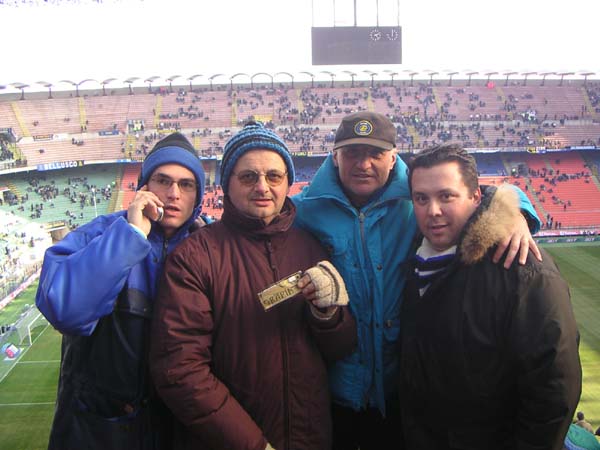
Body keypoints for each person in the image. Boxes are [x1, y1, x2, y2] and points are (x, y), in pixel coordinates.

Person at [291, 111, 542, 450]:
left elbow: (474, 193)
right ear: (334, 157)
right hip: (335, 392)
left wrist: (517, 210)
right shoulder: (305, 209)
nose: (363, 164)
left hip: (403, 391)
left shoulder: (417, 198)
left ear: (393, 156)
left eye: (375, 153)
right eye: (352, 153)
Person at [149, 121, 357, 450]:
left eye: (274, 176)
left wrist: (328, 314)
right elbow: (181, 371)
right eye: (248, 177)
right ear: (227, 185)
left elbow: (340, 350)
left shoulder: (310, 247)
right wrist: (255, 445)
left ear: (287, 182)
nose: (262, 187)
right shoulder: (194, 257)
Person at [399, 144, 582, 449]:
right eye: (421, 198)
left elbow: (554, 387)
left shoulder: (522, 268)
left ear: (476, 196)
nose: (433, 210)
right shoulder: (411, 255)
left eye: (447, 196)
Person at [35, 132, 208, 450]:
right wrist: (131, 236)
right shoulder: (98, 234)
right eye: (163, 180)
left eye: (186, 185)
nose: (173, 194)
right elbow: (66, 310)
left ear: (198, 195)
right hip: (98, 433)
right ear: (144, 186)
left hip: (175, 432)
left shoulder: (209, 247)